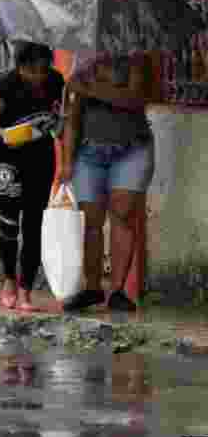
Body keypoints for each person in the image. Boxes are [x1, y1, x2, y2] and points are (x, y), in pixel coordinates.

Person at [60, 51, 154, 313]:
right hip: (89, 152)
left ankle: (118, 290)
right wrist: (66, 161)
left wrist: (90, 88)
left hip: (132, 148)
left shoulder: (135, 58)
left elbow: (134, 100)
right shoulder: (82, 63)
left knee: (122, 214)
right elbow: (72, 118)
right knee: (91, 220)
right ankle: (92, 288)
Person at [0, 41, 64, 312]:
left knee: (34, 225)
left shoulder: (56, 81)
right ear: (20, 68)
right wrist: (3, 133)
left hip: (40, 158)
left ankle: (26, 289)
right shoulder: (5, 85)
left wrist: (59, 124)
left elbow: (61, 115)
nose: (38, 76)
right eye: (32, 70)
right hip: (7, 159)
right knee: (9, 224)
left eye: (43, 68)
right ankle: (8, 280)